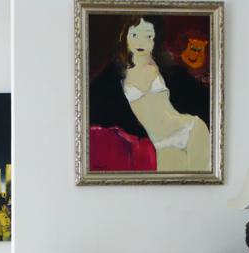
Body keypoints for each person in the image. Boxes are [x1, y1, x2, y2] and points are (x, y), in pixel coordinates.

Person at [89, 15, 211, 173]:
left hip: (189, 129)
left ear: (155, 39)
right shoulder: (113, 73)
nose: (141, 42)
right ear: (124, 37)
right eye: (134, 35)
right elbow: (90, 105)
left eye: (148, 36)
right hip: (160, 143)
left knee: (201, 182)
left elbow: (204, 98)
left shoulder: (167, 70)